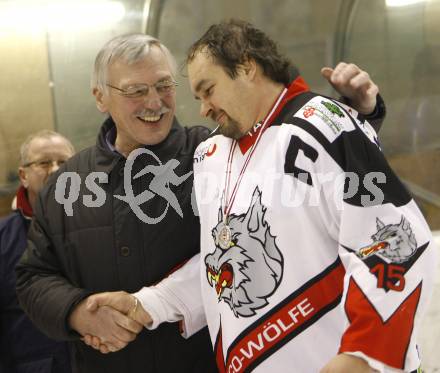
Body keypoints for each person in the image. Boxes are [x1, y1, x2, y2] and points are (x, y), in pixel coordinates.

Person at [16, 33, 387, 373]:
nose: (154, 102)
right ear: (100, 97)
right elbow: (33, 276)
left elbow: (292, 151)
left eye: (164, 85)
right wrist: (78, 313)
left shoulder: (214, 153)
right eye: (135, 90)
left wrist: (362, 114)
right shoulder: (66, 183)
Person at [85, 21, 437, 373]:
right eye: (197, 97)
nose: (203, 108)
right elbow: (221, 263)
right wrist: (147, 304)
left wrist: (366, 354)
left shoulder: (320, 126)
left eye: (209, 90)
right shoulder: (211, 155)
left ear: (247, 66)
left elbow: (397, 239)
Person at [0, 130, 74, 373]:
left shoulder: (107, 226)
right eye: (44, 163)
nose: (55, 170)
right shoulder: (3, 239)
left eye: (64, 163)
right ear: (23, 175)